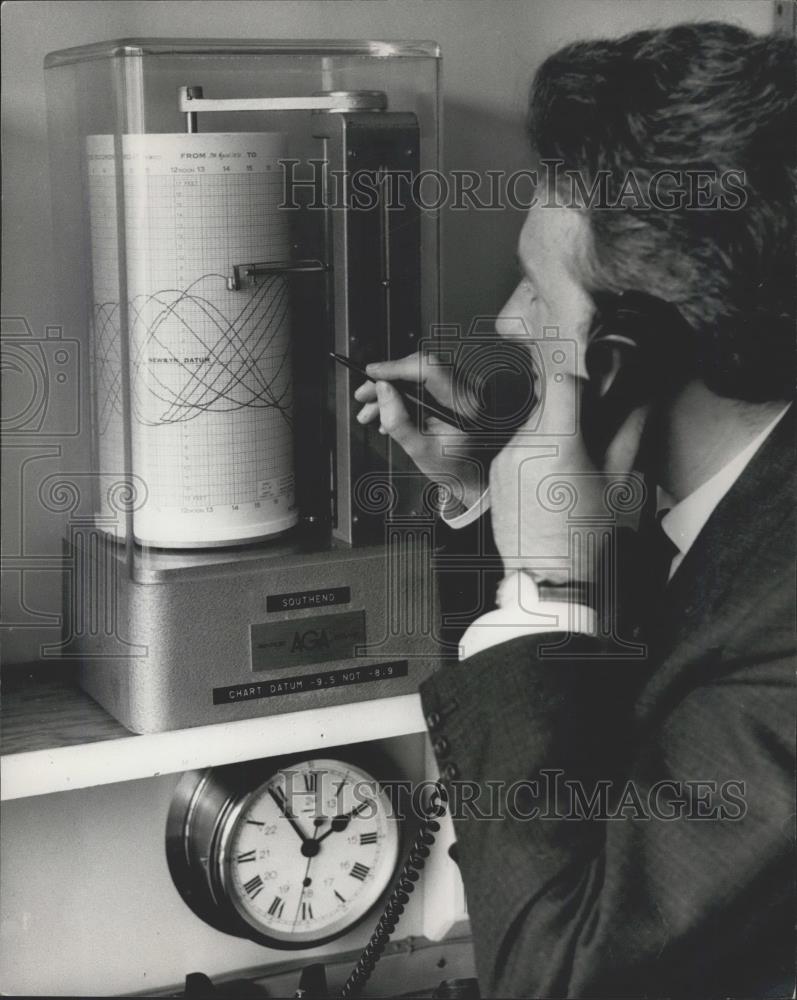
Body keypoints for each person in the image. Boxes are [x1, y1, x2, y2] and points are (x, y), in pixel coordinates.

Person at [353, 21, 795, 999]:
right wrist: (476, 485)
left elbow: (561, 975)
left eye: (537, 289)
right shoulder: (712, 505)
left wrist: (549, 587)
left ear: (625, 363)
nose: (510, 321)